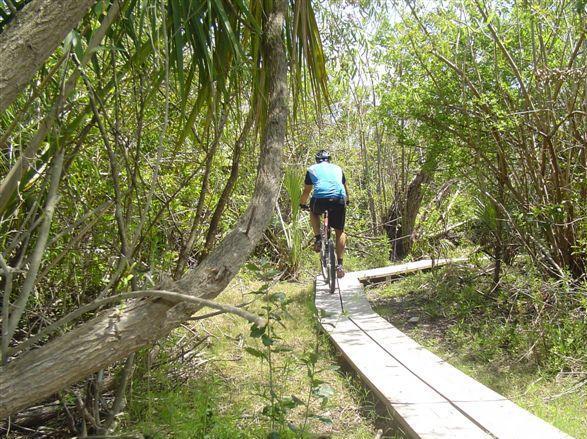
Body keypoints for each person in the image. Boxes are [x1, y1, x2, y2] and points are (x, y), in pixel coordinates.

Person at [300, 149, 349, 278]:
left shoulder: (312, 169)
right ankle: (339, 265)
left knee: (313, 212)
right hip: (339, 198)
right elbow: (344, 187)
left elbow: (307, 191)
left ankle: (317, 238)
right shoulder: (338, 168)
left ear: (317, 160)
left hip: (320, 199)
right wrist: (347, 201)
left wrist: (302, 204)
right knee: (340, 231)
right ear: (329, 159)